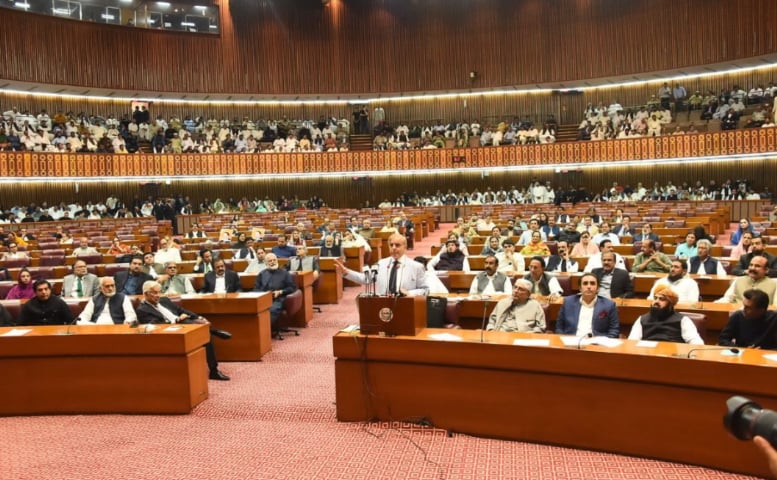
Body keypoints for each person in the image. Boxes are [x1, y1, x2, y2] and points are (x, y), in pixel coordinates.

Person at [136, 281, 231, 381]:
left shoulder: (164, 300)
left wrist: (199, 316)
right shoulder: (142, 310)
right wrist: (176, 320)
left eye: (159, 292)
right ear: (146, 294)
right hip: (171, 333)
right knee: (197, 328)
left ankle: (214, 370)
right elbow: (155, 326)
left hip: (185, 325)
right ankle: (214, 331)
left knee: (204, 334)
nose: (158, 295)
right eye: (155, 293)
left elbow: (182, 310)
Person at [335, 233, 427, 296]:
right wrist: (346, 272)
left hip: (406, 306)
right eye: (391, 245)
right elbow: (366, 279)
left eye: (397, 245)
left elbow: (425, 290)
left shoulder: (416, 267)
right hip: (383, 307)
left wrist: (410, 293)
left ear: (405, 247)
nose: (394, 248)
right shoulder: (381, 263)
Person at [627, 285, 704, 344]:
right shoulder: (642, 319)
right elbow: (632, 342)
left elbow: (696, 342)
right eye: (655, 298)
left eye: (662, 299)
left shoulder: (683, 320)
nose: (656, 301)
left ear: (670, 304)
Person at [555, 273, 620, 338]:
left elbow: (614, 330)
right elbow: (559, 327)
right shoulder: (568, 302)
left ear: (598, 288)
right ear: (580, 288)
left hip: (597, 344)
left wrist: (604, 342)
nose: (589, 286)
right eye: (585, 283)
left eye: (592, 283)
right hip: (571, 342)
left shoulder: (609, 305)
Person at [253, 253, 298, 332]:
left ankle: (265, 332)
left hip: (279, 298)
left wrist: (280, 291)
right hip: (264, 298)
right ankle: (256, 332)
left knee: (271, 310)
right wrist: (264, 294)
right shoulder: (262, 274)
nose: (273, 262)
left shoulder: (284, 273)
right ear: (266, 263)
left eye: (274, 260)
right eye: (270, 261)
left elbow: (292, 287)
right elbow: (256, 289)